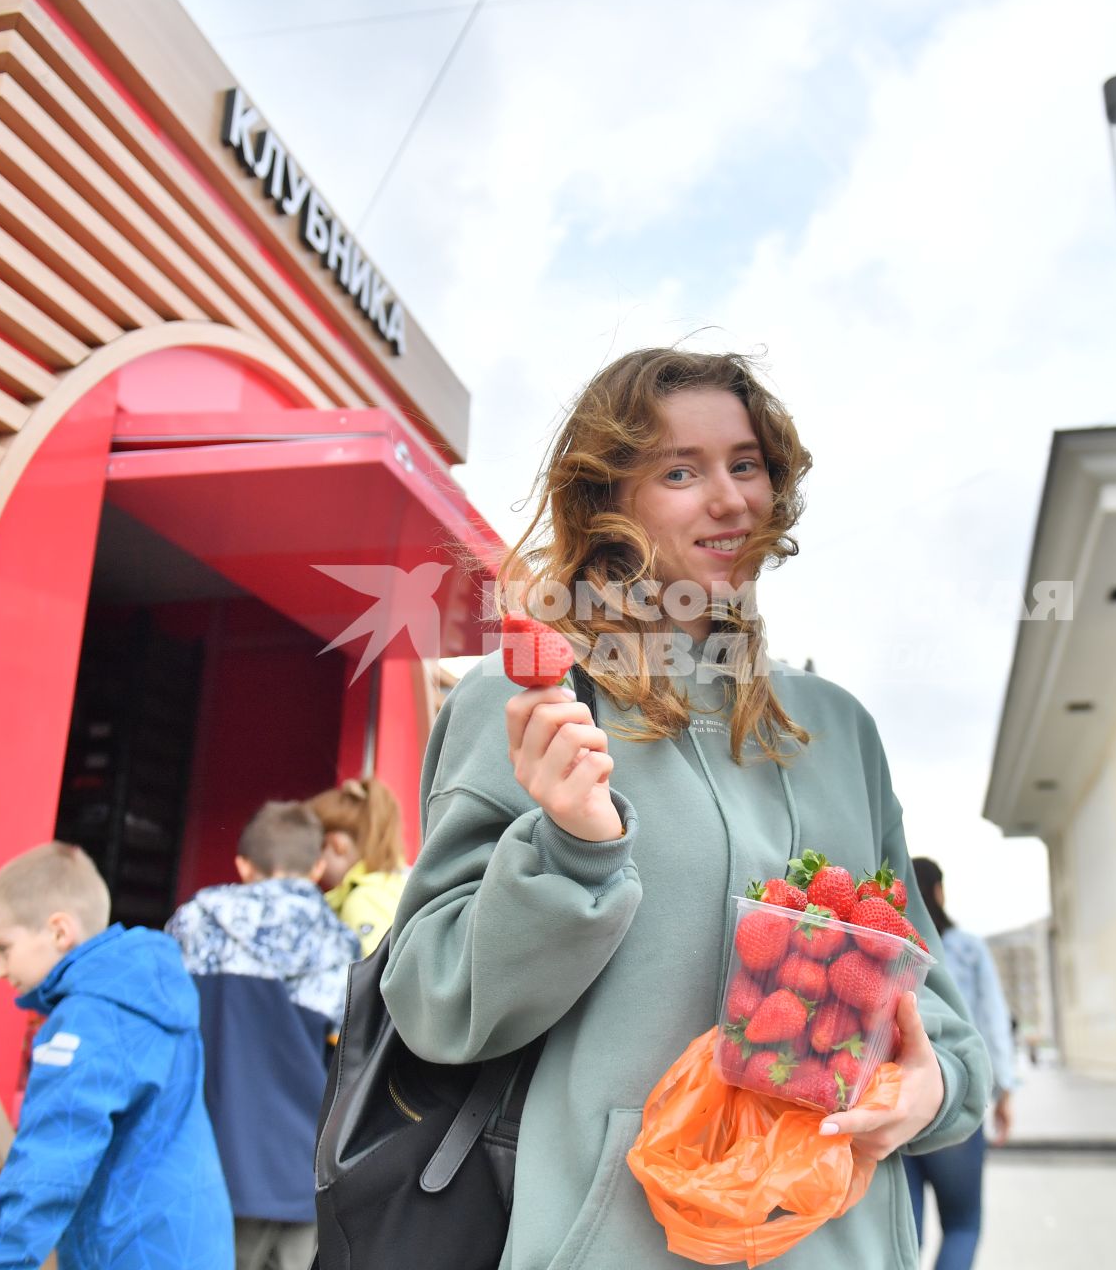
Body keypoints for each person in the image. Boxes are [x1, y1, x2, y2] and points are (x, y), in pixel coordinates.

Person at [379, 347, 990, 1269]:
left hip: (844, 1239)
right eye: (680, 471)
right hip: (619, 1238)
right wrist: (570, 854)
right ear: (606, 501)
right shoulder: (531, 695)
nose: (730, 498)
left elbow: (939, 1022)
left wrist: (929, 1086)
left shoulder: (837, 728)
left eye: (745, 464)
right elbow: (435, 999)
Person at [0, 842, 233, 1270]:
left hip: (129, 1251)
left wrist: (0, 1261)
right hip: (191, 1239)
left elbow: (53, 1153)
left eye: (2, 946)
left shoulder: (91, 1016)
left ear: (58, 931)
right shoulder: (148, 994)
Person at [166, 801, 361, 1270]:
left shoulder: (194, 923)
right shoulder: (339, 943)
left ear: (243, 865)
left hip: (212, 1159)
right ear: (317, 866)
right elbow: (350, 1055)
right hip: (304, 1164)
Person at [903, 857, 1017, 1270]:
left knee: (905, 1237)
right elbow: (993, 1022)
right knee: (963, 1226)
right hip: (958, 1093)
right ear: (937, 891)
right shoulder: (967, 947)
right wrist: (1003, 1091)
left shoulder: (891, 944)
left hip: (899, 1098)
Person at [307, 775, 408, 956]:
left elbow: (370, 977)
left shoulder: (362, 900)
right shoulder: (402, 883)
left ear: (337, 845)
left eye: (313, 851)